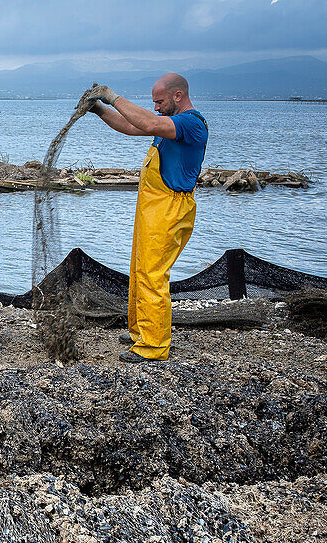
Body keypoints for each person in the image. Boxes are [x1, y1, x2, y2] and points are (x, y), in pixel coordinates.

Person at [83, 74, 208, 362]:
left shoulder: (190, 123)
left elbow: (149, 122)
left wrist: (112, 97)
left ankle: (153, 346)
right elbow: (130, 125)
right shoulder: (169, 124)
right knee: (140, 269)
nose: (155, 107)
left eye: (159, 101)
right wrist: (100, 110)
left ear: (178, 96)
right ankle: (141, 330)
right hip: (152, 208)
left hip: (170, 209)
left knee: (153, 275)